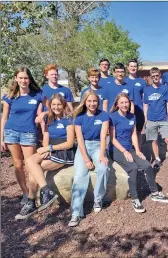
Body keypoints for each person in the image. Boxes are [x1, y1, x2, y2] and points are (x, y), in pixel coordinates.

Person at [15, 94, 75, 220]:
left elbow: (69, 143)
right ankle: (45, 190)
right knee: (31, 162)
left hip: (63, 151)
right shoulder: (49, 119)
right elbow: (46, 136)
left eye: (59, 104)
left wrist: (49, 148)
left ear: (64, 105)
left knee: (35, 168)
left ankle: (32, 201)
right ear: (50, 106)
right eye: (53, 105)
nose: (56, 107)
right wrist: (46, 148)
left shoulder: (68, 120)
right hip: (50, 149)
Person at [109, 93, 168, 213]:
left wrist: (137, 151)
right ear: (117, 105)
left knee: (147, 165)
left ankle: (154, 193)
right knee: (133, 167)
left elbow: (133, 135)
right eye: (121, 102)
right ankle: (135, 199)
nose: (124, 105)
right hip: (116, 150)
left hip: (130, 148)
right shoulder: (112, 117)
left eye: (126, 102)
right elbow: (112, 139)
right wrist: (124, 151)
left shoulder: (132, 117)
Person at [1, 67, 45, 205]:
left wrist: (43, 114)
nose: (23, 81)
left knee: (30, 164)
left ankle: (33, 195)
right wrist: (1, 138)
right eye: (20, 78)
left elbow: (50, 108)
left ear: (29, 79)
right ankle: (26, 194)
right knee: (18, 164)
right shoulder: (9, 97)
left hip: (29, 133)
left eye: (26, 78)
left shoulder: (38, 94)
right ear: (16, 79)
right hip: (11, 132)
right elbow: (4, 118)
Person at [69, 90, 109, 227]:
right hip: (84, 147)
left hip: (99, 146)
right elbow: (79, 139)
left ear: (98, 102)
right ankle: (76, 213)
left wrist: (102, 155)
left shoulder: (103, 115)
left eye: (94, 101)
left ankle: (98, 199)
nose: (92, 103)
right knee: (80, 175)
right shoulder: (79, 117)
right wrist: (86, 159)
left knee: (103, 169)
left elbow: (103, 136)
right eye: (89, 101)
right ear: (85, 102)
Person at [144, 67, 168, 171]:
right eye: (153, 76)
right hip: (151, 119)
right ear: (151, 77)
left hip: (163, 119)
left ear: (160, 76)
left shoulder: (165, 89)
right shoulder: (147, 90)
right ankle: (157, 159)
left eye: (157, 76)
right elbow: (146, 105)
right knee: (154, 140)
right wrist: (145, 119)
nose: (155, 78)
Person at [125, 59, 147, 147]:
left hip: (139, 111)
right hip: (126, 111)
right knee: (127, 132)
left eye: (135, 66)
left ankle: (139, 152)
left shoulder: (142, 82)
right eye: (131, 66)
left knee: (138, 132)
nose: (133, 68)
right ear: (128, 67)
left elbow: (145, 97)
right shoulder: (124, 81)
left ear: (137, 68)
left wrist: (145, 113)